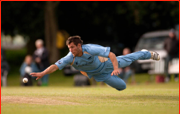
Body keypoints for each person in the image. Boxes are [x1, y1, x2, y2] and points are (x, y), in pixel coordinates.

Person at [31, 36, 160, 91]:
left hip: (108, 64)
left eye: (72, 47)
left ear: (79, 45)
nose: (70, 50)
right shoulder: (70, 57)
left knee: (128, 59)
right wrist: (42, 73)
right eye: (69, 48)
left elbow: (111, 54)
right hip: (100, 76)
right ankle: (113, 79)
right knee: (122, 87)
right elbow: (55, 66)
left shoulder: (90, 48)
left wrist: (115, 68)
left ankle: (147, 54)